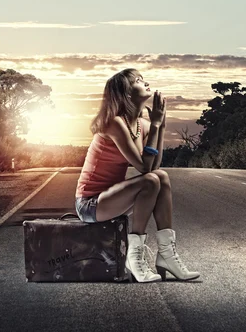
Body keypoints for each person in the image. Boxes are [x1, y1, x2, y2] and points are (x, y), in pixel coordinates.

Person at [74, 68, 200, 283]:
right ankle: (134, 257)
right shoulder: (115, 123)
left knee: (161, 177)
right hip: (91, 204)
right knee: (151, 179)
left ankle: (166, 255)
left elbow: (154, 165)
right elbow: (143, 168)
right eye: (139, 80)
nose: (146, 82)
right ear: (126, 92)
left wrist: (160, 127)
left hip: (113, 200)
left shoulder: (142, 126)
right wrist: (158, 125)